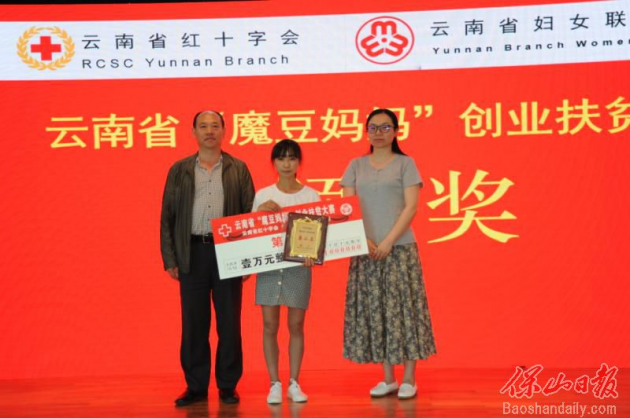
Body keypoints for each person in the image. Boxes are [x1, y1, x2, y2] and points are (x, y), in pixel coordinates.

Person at [340, 108, 436, 400]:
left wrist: (388, 242)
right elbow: (347, 207)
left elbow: (411, 207)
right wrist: (365, 239)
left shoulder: (406, 164)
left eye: (385, 127)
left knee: (405, 310)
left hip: (400, 249)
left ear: (396, 131)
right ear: (366, 132)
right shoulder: (355, 165)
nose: (378, 133)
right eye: (373, 127)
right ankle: (388, 378)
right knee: (377, 310)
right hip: (365, 249)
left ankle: (409, 378)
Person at [160, 110, 255, 407]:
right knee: (194, 324)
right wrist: (170, 258)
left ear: (224, 131)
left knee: (229, 323)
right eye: (203, 126)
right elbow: (167, 216)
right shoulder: (180, 170)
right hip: (192, 252)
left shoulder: (238, 168)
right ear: (194, 132)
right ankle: (196, 386)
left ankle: (228, 385)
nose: (209, 131)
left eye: (215, 126)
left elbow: (250, 214)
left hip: (229, 251)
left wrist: (248, 256)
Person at [252, 139, 320, 404]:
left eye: (292, 158)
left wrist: (312, 253)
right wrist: (259, 213)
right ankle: (274, 383)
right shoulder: (263, 195)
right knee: (269, 325)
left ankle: (294, 382)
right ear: (274, 163)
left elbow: (318, 234)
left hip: (298, 268)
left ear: (299, 162)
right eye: (281, 158)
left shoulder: (311, 195)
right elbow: (252, 233)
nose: (287, 164)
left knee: (296, 325)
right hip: (269, 266)